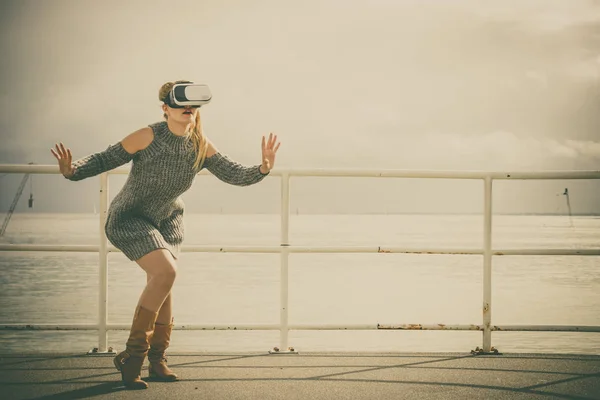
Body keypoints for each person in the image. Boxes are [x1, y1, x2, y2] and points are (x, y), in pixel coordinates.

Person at [50, 80, 281, 390]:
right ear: (165, 109)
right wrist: (72, 170)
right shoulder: (148, 135)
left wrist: (263, 168)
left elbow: (232, 173)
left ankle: (157, 361)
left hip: (168, 221)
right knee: (166, 273)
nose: (188, 110)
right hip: (130, 218)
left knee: (164, 281)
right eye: (180, 105)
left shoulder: (200, 144)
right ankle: (132, 359)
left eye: (192, 106)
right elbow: (106, 159)